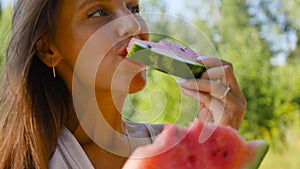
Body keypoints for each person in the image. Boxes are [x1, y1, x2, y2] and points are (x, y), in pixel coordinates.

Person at [0, 0, 246, 168]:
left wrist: (220, 142)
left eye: (133, 7)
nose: (135, 25)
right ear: (48, 49)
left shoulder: (173, 146)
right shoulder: (27, 160)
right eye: (98, 12)